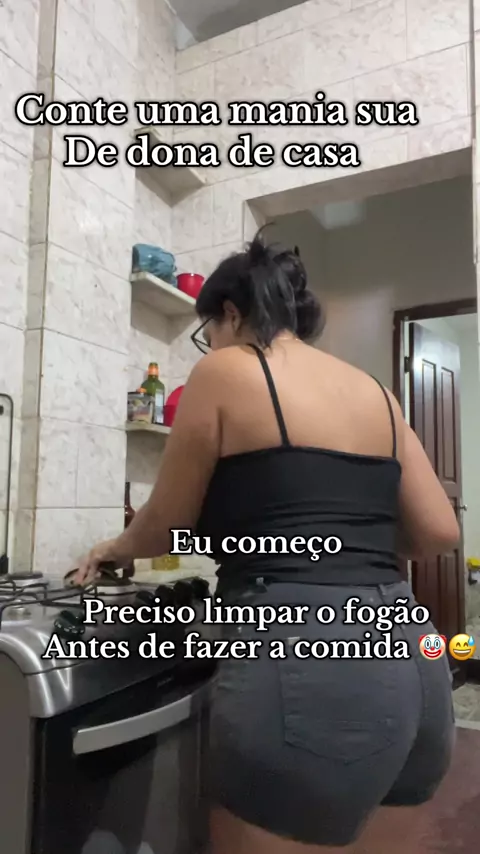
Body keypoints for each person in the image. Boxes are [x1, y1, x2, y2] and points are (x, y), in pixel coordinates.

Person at [74, 231, 460, 854]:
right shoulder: (378, 394)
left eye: (208, 331)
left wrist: (113, 548)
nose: (210, 345)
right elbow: (440, 531)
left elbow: (165, 525)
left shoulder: (226, 369)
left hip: (305, 658)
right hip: (413, 655)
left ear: (229, 314)